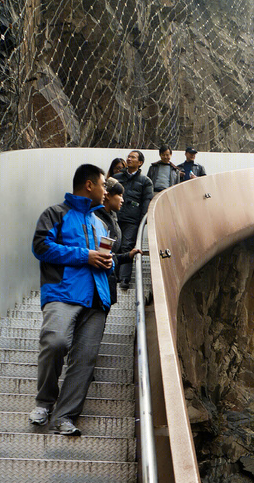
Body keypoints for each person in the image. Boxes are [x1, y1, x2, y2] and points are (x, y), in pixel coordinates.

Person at [28, 164, 112, 436]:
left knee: (84, 360)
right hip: (63, 292)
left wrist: (107, 262)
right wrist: (85, 255)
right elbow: (41, 247)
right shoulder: (55, 213)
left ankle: (65, 417)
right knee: (55, 342)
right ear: (89, 185)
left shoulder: (100, 223)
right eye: (103, 185)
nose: (106, 190)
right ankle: (44, 402)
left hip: (97, 299)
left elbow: (103, 261)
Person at [95, 177, 141, 306]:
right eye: (119, 195)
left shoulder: (112, 217)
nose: (122, 199)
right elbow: (103, 257)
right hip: (97, 287)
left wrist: (128, 256)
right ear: (108, 196)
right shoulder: (99, 221)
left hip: (106, 284)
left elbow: (108, 255)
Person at [113, 149, 152, 289]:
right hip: (115, 217)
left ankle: (124, 278)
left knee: (127, 245)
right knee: (114, 245)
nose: (129, 159)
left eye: (133, 157)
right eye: (128, 156)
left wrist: (142, 220)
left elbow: (146, 201)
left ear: (140, 163)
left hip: (132, 220)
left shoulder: (145, 181)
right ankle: (113, 276)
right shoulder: (117, 178)